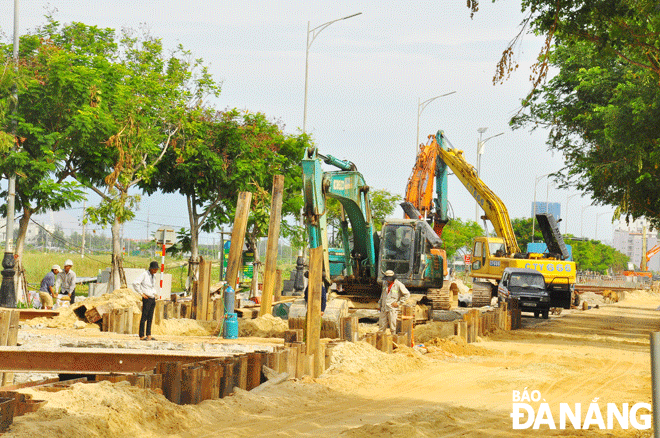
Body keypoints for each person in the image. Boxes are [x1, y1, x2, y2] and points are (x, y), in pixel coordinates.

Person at [133, 261, 159, 341]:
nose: (155, 270)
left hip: (152, 298)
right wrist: (141, 293)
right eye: (154, 269)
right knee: (144, 316)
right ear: (151, 269)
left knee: (150, 317)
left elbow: (152, 287)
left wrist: (155, 294)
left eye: (156, 269)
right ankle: (141, 335)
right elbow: (135, 283)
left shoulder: (153, 276)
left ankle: (149, 334)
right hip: (146, 298)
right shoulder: (144, 274)